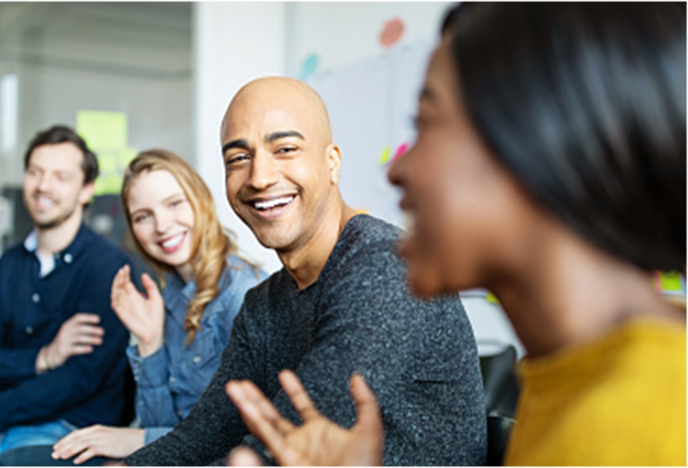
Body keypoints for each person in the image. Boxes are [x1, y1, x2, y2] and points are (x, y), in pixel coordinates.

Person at [225, 2, 687, 466]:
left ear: (535, 150)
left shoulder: (644, 423)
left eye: (428, 124)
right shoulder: (571, 381)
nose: (398, 169)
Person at [122, 77, 487, 466]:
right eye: (238, 158)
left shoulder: (384, 270)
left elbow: (283, 449)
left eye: (285, 149)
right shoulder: (263, 304)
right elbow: (202, 437)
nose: (260, 177)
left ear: (332, 162)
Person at [44, 149, 266, 464]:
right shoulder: (169, 297)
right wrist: (150, 342)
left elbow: (245, 439)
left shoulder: (244, 295)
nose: (161, 226)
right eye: (142, 216)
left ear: (200, 200)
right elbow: (158, 423)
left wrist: (136, 439)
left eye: (174, 203)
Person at [0, 125, 134, 466]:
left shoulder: (107, 267)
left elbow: (77, 380)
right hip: (0, 427)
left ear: (86, 190)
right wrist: (43, 358)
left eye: (60, 177)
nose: (43, 186)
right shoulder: (10, 264)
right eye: (35, 172)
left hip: (67, 431)